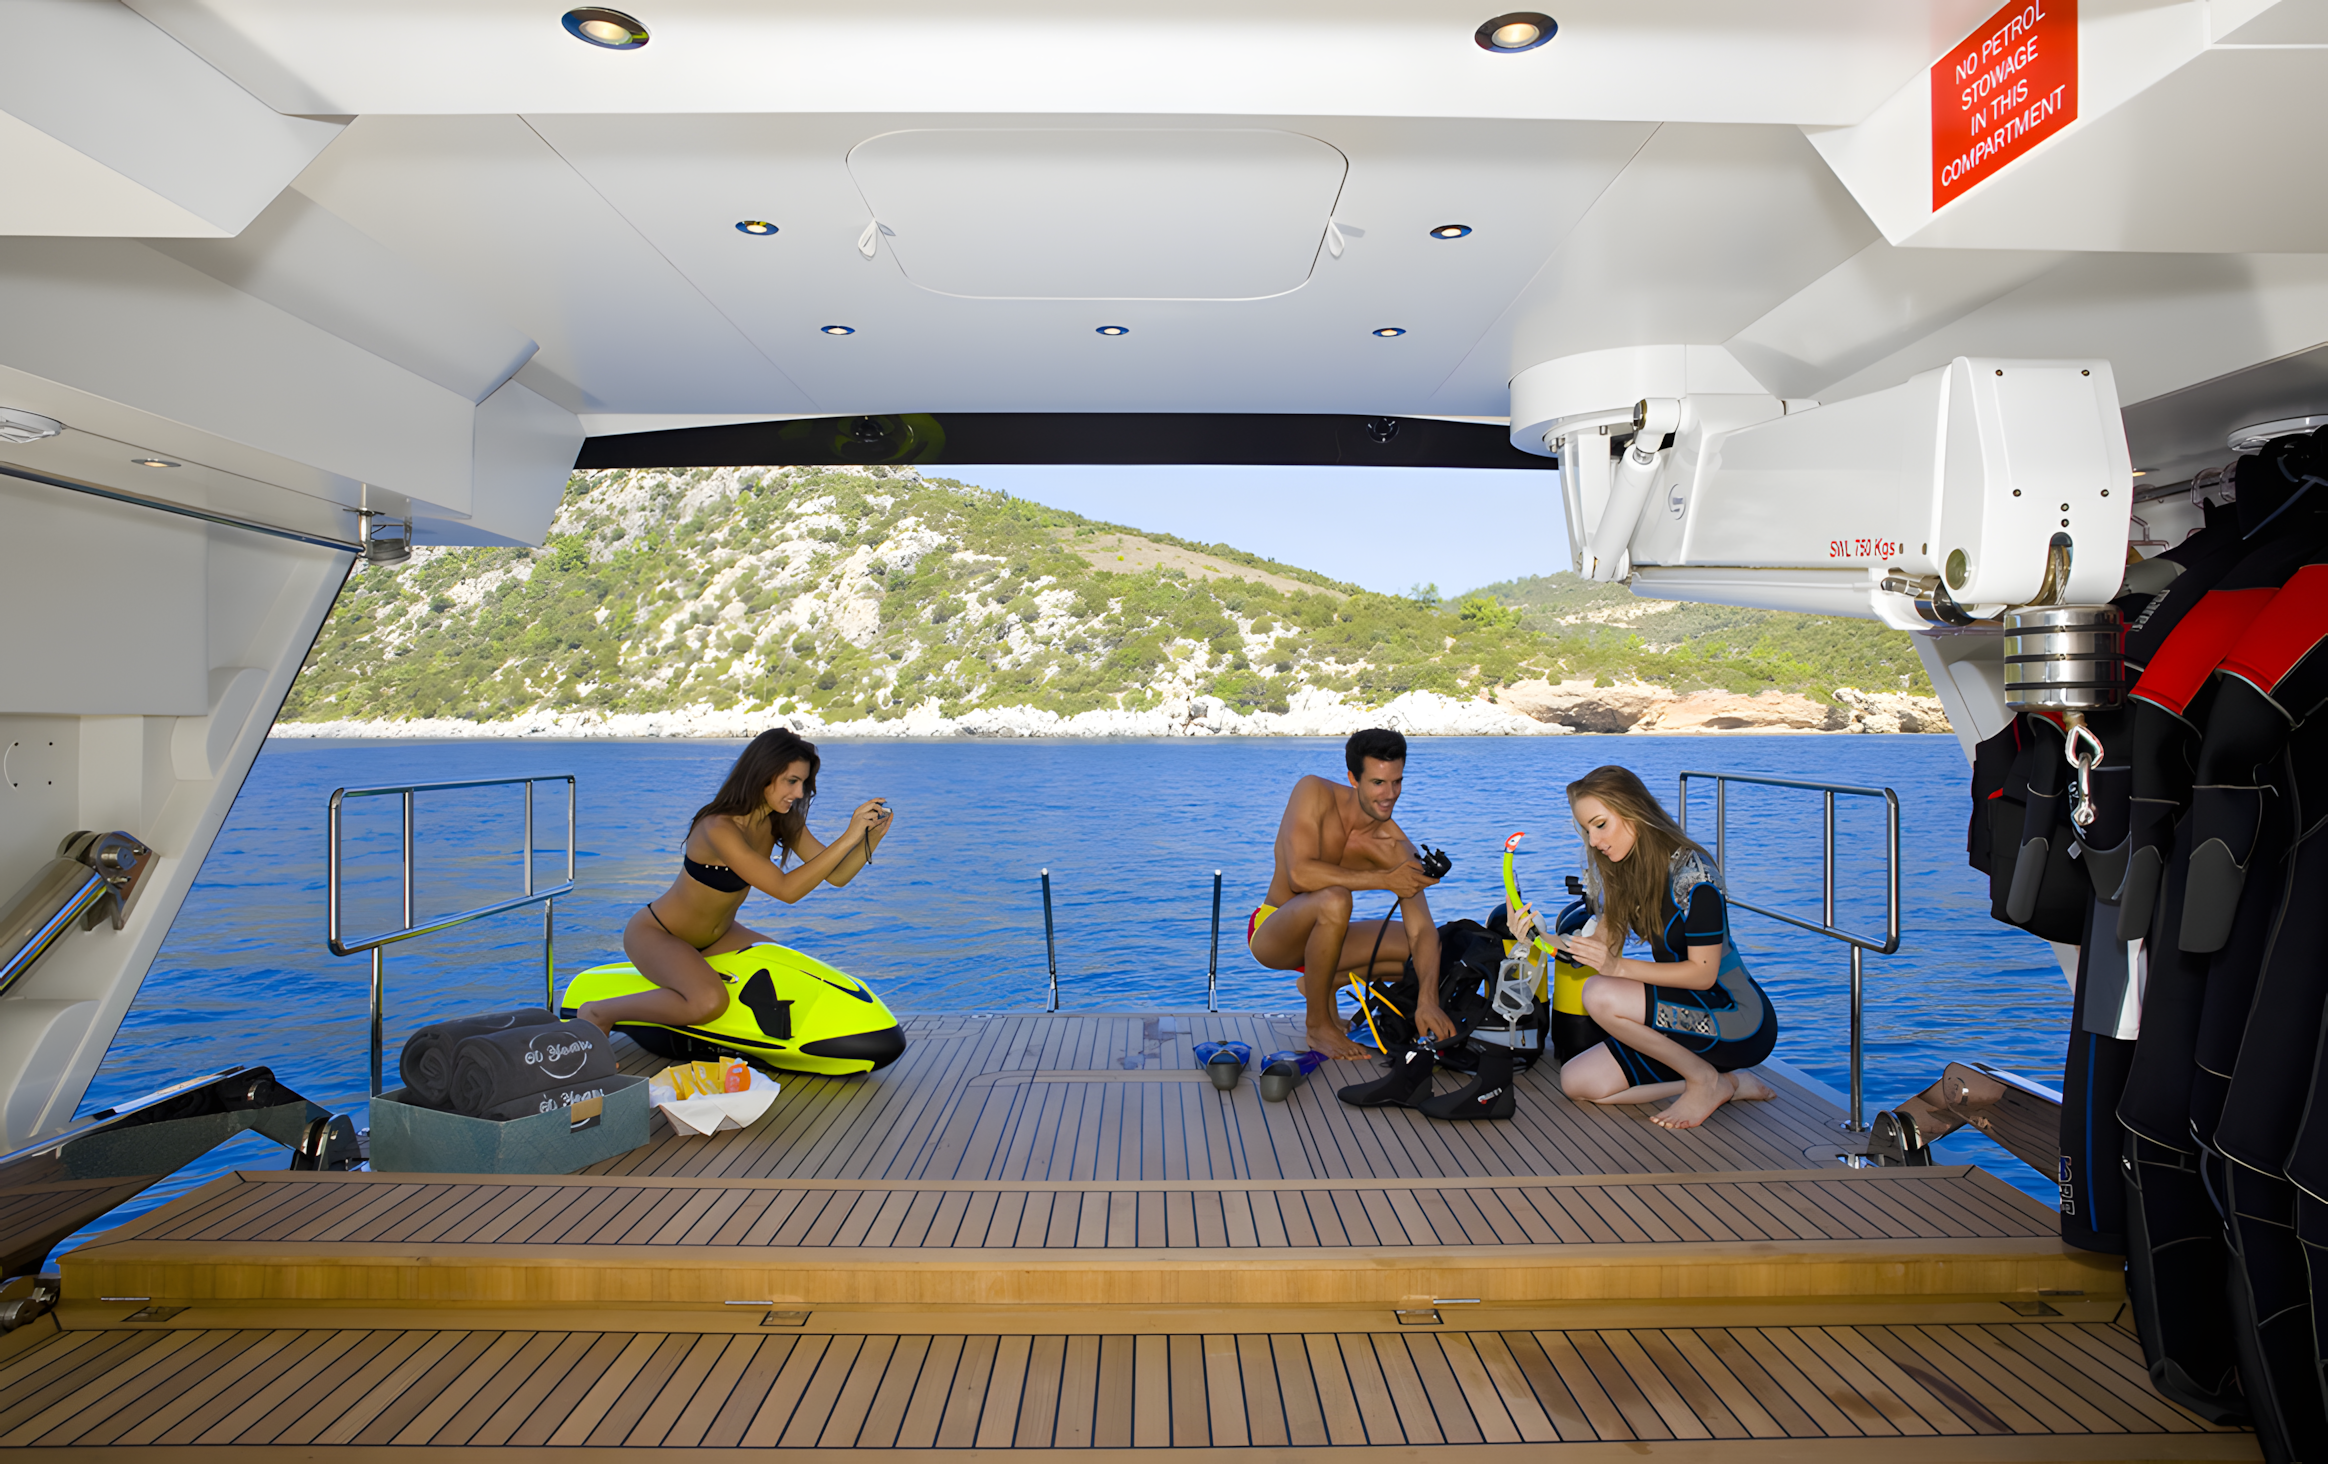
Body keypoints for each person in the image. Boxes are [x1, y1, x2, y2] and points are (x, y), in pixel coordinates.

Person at [577, 728, 892, 1036]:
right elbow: (786, 890)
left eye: (803, 783)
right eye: (792, 781)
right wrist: (847, 836)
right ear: (763, 774)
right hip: (659, 934)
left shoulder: (781, 820)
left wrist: (869, 839)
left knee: (786, 967)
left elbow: (835, 876)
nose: (798, 793)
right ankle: (598, 1012)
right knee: (709, 1001)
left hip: (720, 935)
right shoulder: (718, 828)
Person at [1513, 765, 1777, 1129]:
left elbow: (1703, 974)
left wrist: (1617, 968)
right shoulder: (1625, 873)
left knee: (1600, 993)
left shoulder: (1695, 876)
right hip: (1682, 1015)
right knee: (1578, 1082)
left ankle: (1704, 1080)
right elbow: (1595, 949)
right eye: (1586, 829)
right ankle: (1727, 1083)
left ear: (1633, 810)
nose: (1593, 840)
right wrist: (1534, 937)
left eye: (1600, 824)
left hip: (1737, 1018)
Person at [1247, 727, 1457, 1059]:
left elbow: (1421, 931)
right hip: (1275, 933)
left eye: (1397, 781)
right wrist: (1386, 880)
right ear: (1353, 778)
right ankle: (1318, 1026)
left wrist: (1427, 1000)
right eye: (1377, 782)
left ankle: (1325, 982)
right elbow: (1299, 874)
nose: (1389, 794)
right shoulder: (1313, 792)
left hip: (1333, 940)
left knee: (1429, 950)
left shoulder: (1396, 847)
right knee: (1335, 897)